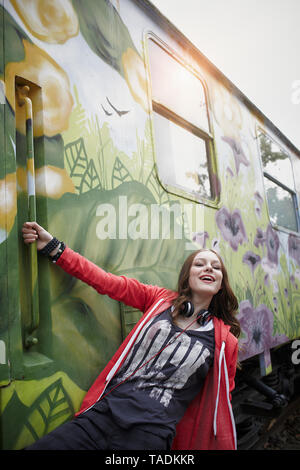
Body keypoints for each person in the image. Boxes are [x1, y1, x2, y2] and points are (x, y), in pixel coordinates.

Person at [22, 221, 240, 451]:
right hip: (102, 415)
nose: (208, 269)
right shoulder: (158, 300)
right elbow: (104, 281)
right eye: (200, 264)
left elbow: (219, 404)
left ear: (220, 285)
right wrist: (54, 248)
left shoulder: (224, 342)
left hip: (149, 434)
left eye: (216, 267)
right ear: (187, 276)